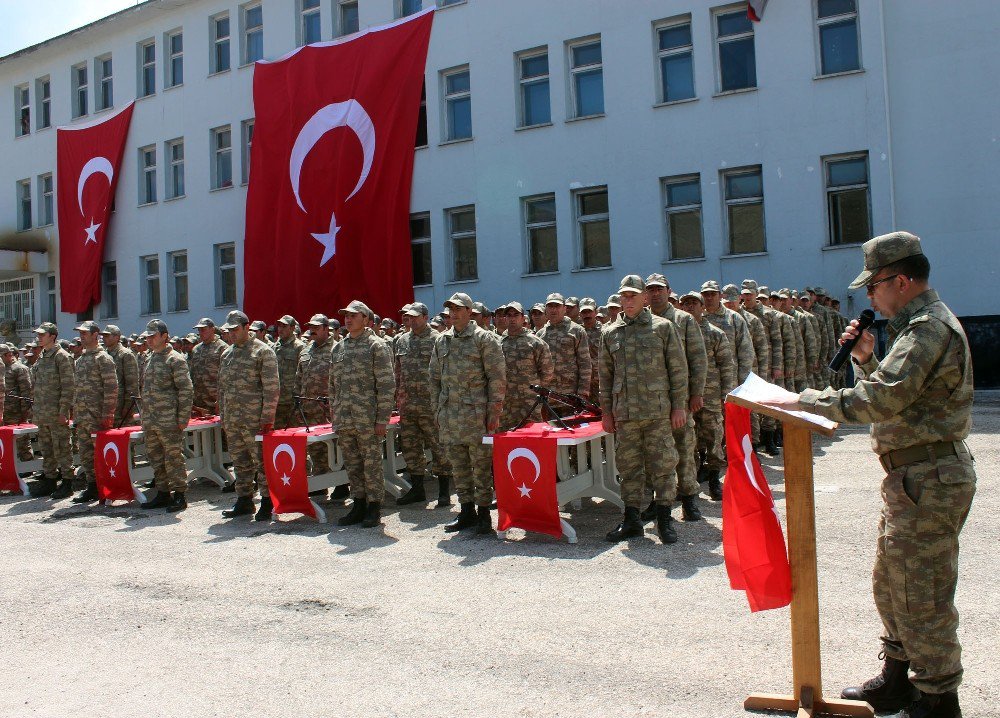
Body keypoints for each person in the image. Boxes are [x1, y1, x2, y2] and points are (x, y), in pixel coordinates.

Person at [766, 232, 975, 718]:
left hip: (930, 478)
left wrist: (803, 400)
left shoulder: (927, 330)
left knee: (922, 594)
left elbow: (881, 401)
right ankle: (899, 682)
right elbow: (899, 395)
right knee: (892, 583)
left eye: (874, 286)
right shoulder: (912, 330)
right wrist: (864, 359)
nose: (869, 297)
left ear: (900, 281)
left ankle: (939, 699)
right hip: (912, 479)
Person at [599, 275, 688, 544]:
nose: (628, 301)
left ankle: (663, 519)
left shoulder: (663, 328)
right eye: (624, 296)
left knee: (663, 466)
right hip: (625, 414)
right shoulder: (609, 332)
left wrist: (679, 406)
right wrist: (606, 412)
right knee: (629, 468)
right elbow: (605, 375)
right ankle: (632, 520)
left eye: (633, 296)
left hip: (657, 412)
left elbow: (678, 369)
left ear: (644, 298)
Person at [429, 292, 506, 535]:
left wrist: (494, 412)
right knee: (459, 466)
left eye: (458, 308)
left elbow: (497, 377)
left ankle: (483, 514)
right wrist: (437, 410)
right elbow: (434, 379)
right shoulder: (442, 341)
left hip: (476, 416)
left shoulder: (485, 339)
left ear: (469, 312)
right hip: (450, 415)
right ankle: (466, 512)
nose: (453, 313)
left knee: (481, 466)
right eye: (450, 308)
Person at [329, 300, 395, 528]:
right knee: (353, 463)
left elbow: (386, 385)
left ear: (366, 319)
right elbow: (332, 386)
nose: (347, 319)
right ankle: (358, 503)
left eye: (353, 315)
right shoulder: (339, 347)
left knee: (371, 463)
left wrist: (381, 419)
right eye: (345, 315)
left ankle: (374, 506)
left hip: (367, 418)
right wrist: (335, 413)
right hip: (345, 418)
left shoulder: (376, 346)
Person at [645, 273, 706, 521]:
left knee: (684, 448)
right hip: (650, 402)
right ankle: (658, 501)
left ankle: (689, 499)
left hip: (678, 399)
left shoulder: (684, 320)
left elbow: (698, 359)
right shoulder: (642, 320)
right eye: (651, 289)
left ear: (669, 291)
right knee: (654, 453)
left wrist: (696, 393)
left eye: (660, 289)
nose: (655, 293)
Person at [218, 310, 280, 521]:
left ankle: (267, 500)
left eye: (235, 330)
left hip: (255, 420)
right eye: (229, 331)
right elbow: (222, 389)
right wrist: (224, 417)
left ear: (247, 327)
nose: (232, 334)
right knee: (240, 461)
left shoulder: (263, 352)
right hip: (233, 419)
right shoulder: (227, 354)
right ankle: (244, 500)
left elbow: (272, 388)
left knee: (261, 462)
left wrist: (267, 417)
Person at [393, 302, 452, 507]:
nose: (412, 320)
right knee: (410, 448)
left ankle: (444, 491)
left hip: (431, 405)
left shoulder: (438, 340)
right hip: (408, 406)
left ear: (426, 318)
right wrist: (398, 399)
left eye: (416, 316)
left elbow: (446, 374)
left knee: (439, 447)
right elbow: (398, 373)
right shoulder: (401, 341)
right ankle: (417, 489)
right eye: (409, 316)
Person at [679, 291, 735, 501]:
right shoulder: (677, 332)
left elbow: (726, 365)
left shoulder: (715, 333)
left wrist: (725, 394)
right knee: (689, 442)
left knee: (713, 438)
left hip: (710, 396)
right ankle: (690, 484)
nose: (689, 307)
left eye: (694, 303)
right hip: (685, 396)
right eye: (686, 304)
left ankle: (714, 480)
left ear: (702, 307)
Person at [137, 320, 194, 513]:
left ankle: (179, 494)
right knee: (155, 457)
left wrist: (182, 418)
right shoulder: (150, 358)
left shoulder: (174, 359)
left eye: (153, 336)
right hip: (151, 419)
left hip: (169, 420)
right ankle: (162, 492)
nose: (150, 340)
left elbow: (185, 390)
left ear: (164, 336)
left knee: (173, 458)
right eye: (148, 337)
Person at [67, 321, 118, 503]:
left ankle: (106, 487)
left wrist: (108, 414)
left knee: (100, 454)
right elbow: (77, 389)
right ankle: (92, 486)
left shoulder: (103, 358)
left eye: (85, 333)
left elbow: (111, 388)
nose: (81, 336)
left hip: (97, 416)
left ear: (96, 335)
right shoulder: (80, 360)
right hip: (82, 416)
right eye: (80, 333)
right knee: (86, 454)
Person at [26, 323, 75, 499]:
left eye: (42, 334)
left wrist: (64, 411)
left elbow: (68, 386)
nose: (39, 337)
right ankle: (50, 479)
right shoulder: (42, 356)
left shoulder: (61, 357)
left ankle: (68, 481)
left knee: (62, 447)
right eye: (38, 334)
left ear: (52, 336)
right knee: (46, 448)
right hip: (42, 412)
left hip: (56, 413)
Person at [295, 314, 336, 500]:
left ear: (327, 329)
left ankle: (342, 483)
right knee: (316, 449)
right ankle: (321, 482)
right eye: (310, 327)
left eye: (317, 327)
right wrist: (298, 403)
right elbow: (299, 379)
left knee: (335, 448)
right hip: (309, 408)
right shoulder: (305, 351)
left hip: (329, 410)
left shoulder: (337, 349)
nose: (312, 330)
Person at [499, 301, 553, 429]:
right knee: (507, 441)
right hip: (506, 404)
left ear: (523, 318)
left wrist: (532, 392)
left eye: (515, 315)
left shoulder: (535, 342)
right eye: (509, 315)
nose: (512, 318)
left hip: (529, 403)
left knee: (533, 438)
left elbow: (547, 372)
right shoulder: (499, 343)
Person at [536, 293, 591, 407]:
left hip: (571, 396)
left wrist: (583, 392)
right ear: (545, 309)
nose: (553, 309)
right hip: (548, 396)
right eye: (550, 306)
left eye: (557, 306)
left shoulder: (576, 331)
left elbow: (585, 363)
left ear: (564, 309)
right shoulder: (540, 334)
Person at [100, 325, 139, 428]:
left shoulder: (125, 355)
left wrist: (127, 408)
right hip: (108, 408)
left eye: (107, 336)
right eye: (103, 336)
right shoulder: (104, 355)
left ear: (117, 337)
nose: (104, 338)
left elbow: (132, 384)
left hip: (121, 409)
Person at [272, 315, 306, 429]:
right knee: (278, 437)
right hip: (277, 401)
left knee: (295, 435)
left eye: (284, 326)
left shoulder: (300, 347)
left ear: (292, 328)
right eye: (279, 326)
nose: (280, 329)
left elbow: (303, 374)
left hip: (292, 401)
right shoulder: (274, 347)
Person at [2, 343, 34, 462]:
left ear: (8, 355)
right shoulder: (2, 368)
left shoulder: (19, 369)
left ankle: (28, 463)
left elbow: (26, 393)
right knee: (5, 441)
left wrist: (24, 414)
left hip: (16, 413)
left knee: (22, 441)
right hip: (4, 412)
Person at [189, 318, 225, 418]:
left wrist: (220, 400)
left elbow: (226, 377)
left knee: (218, 433)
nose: (200, 333)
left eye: (203, 330)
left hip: (215, 403)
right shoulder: (196, 349)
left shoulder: (222, 348)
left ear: (212, 329)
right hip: (199, 404)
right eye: (199, 330)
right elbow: (192, 375)